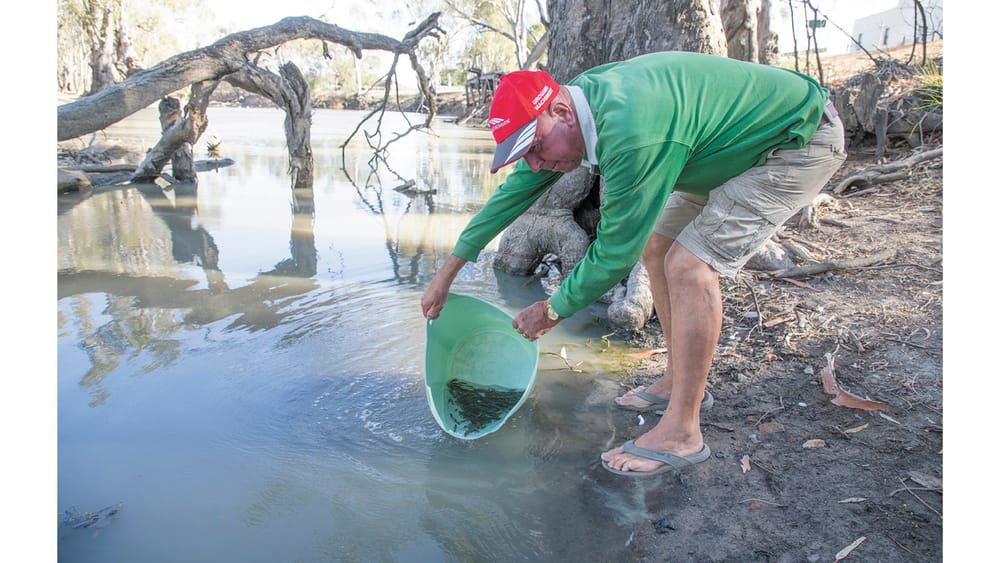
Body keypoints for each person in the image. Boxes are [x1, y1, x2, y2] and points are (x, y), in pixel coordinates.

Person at [420, 51, 846, 477]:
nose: (535, 164)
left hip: (792, 143)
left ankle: (683, 433)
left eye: (535, 147)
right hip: (724, 151)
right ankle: (678, 385)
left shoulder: (631, 131)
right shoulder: (577, 107)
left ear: (562, 111)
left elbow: (613, 253)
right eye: (524, 154)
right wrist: (446, 274)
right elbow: (512, 194)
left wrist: (551, 311)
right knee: (658, 246)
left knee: (689, 266)